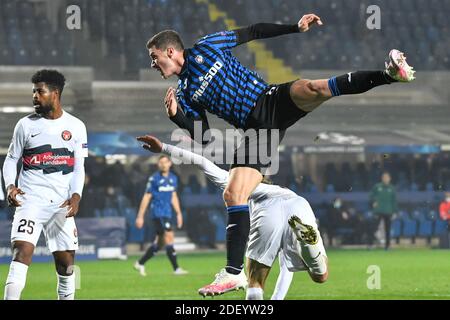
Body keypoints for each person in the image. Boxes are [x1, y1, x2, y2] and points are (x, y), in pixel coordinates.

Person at [146, 13, 415, 293]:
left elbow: (251, 31)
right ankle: (233, 272)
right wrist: (177, 117)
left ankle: (389, 75)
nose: (153, 64)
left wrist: (295, 28)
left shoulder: (207, 46)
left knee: (315, 87)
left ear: (170, 51)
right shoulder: (185, 92)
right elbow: (203, 135)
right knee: (233, 194)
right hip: (256, 131)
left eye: (154, 57)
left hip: (270, 99)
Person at [136, 135, 328, 299]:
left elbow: (202, 162)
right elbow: (287, 266)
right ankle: (310, 250)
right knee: (320, 276)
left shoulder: (236, 181)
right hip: (298, 204)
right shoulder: (276, 187)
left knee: (255, 280)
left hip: (267, 210)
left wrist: (163, 147)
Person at [2, 70, 88, 300]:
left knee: (67, 264)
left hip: (61, 204)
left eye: (40, 91)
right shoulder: (25, 125)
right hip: (30, 200)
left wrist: (76, 196)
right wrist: (10, 186)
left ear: (55, 93)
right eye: (33, 92)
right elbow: (11, 160)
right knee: (22, 253)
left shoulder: (77, 126)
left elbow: (78, 167)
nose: (34, 96)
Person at [134, 155, 188, 276]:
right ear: (158, 165)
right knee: (169, 236)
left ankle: (140, 263)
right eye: (161, 162)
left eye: (165, 162)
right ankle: (176, 269)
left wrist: (179, 213)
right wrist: (140, 216)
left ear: (170, 163)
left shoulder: (173, 178)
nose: (163, 164)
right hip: (157, 213)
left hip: (167, 213)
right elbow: (146, 197)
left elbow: (174, 196)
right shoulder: (154, 179)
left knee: (160, 243)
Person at [370, 172, 398, 250]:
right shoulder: (377, 187)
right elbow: (371, 195)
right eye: (384, 177)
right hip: (378, 211)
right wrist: (374, 201)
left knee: (388, 229)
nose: (385, 179)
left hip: (388, 211)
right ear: (382, 178)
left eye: (387, 177)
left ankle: (387, 245)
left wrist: (395, 211)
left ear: (389, 179)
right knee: (374, 228)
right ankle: (371, 244)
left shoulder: (392, 188)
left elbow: (394, 201)